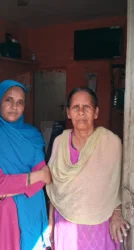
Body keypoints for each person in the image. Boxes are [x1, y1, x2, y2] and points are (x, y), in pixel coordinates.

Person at [46, 87, 129, 250]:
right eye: (76, 107)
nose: (81, 112)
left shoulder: (111, 143)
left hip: (101, 223)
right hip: (65, 224)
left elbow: (120, 184)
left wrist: (117, 213)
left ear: (96, 112)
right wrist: (50, 222)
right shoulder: (59, 142)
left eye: (87, 107)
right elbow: (55, 189)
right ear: (68, 113)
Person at [0, 80, 51, 250]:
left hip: (32, 209)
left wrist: (8, 190)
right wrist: (32, 177)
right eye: (8, 100)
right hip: (3, 214)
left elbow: (44, 177)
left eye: (20, 102)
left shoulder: (32, 135)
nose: (14, 106)